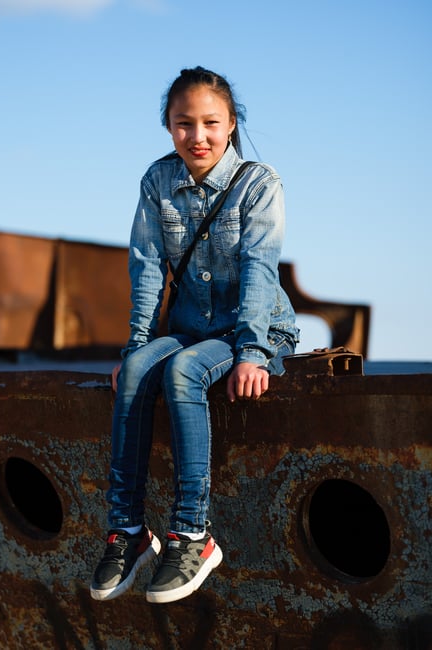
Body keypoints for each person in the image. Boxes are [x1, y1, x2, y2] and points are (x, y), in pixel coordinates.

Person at [90, 66, 299, 604]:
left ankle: (192, 535)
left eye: (211, 123)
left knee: (184, 373)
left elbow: (260, 267)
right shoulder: (157, 181)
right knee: (138, 369)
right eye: (184, 124)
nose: (197, 136)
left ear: (232, 124)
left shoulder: (259, 183)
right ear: (168, 127)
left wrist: (253, 353)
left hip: (255, 329)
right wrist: (137, 345)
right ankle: (129, 534)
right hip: (191, 328)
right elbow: (147, 267)